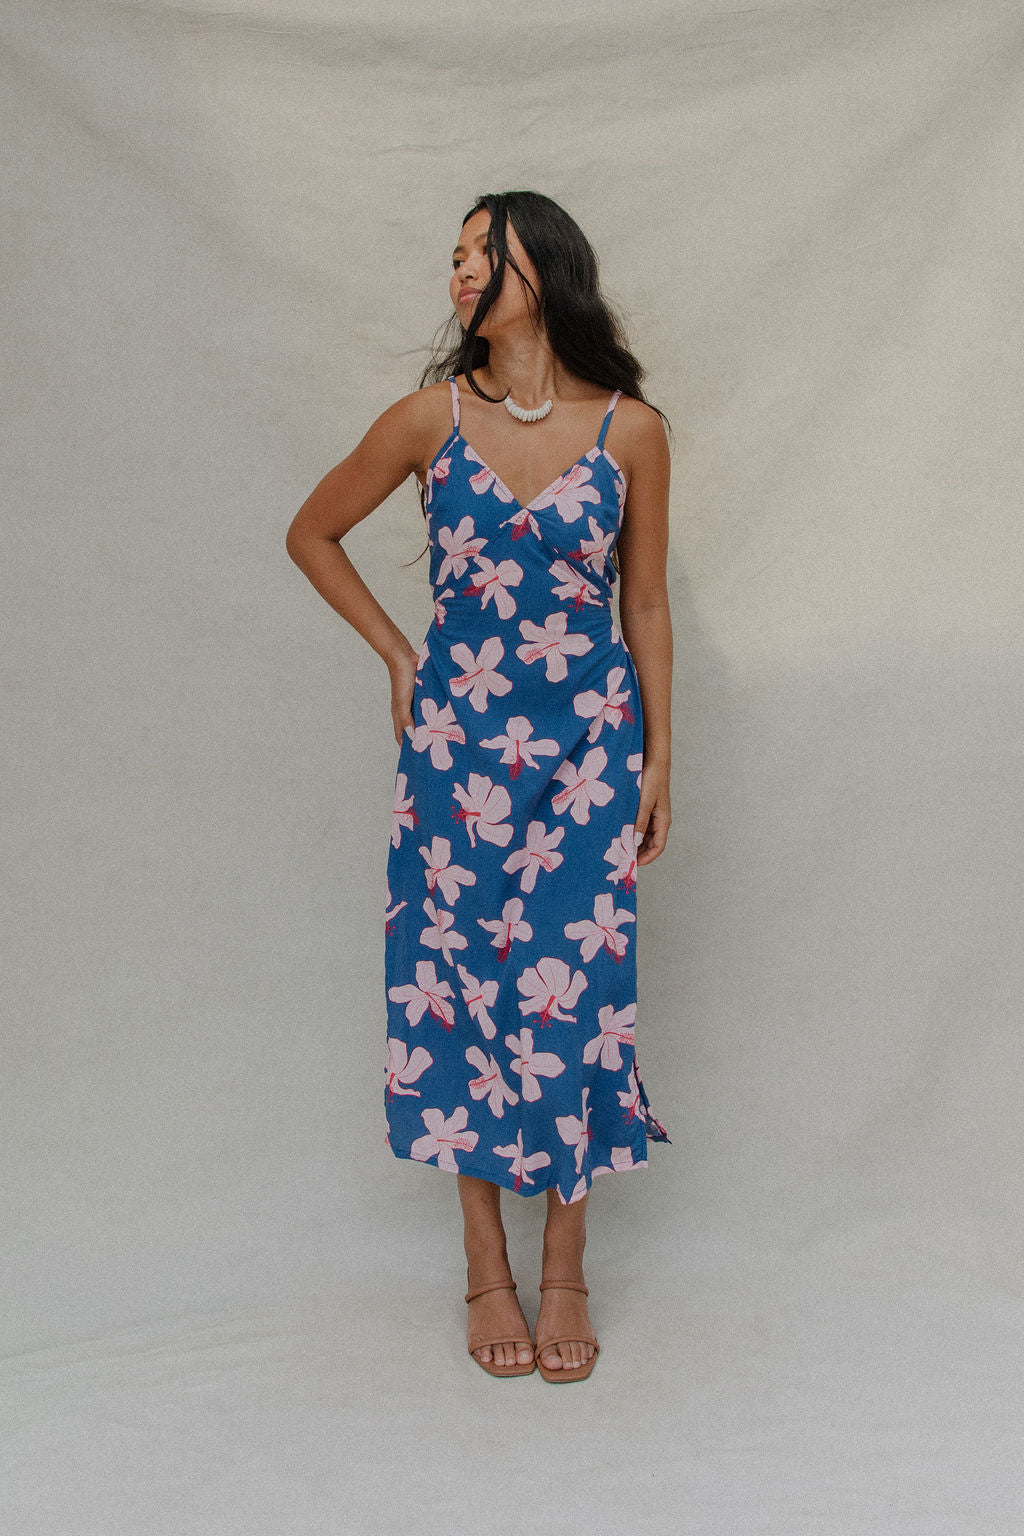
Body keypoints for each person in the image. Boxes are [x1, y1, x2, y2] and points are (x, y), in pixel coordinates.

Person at [286, 190, 673, 1383]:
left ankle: (563, 1268)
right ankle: (484, 1271)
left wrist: (661, 757)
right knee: (457, 993)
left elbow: (642, 603)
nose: (457, 270)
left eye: (479, 252)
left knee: (575, 1003)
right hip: (457, 756)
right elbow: (311, 532)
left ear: (541, 269)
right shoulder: (426, 420)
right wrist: (401, 656)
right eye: (450, 254)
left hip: (590, 752)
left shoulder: (632, 431)